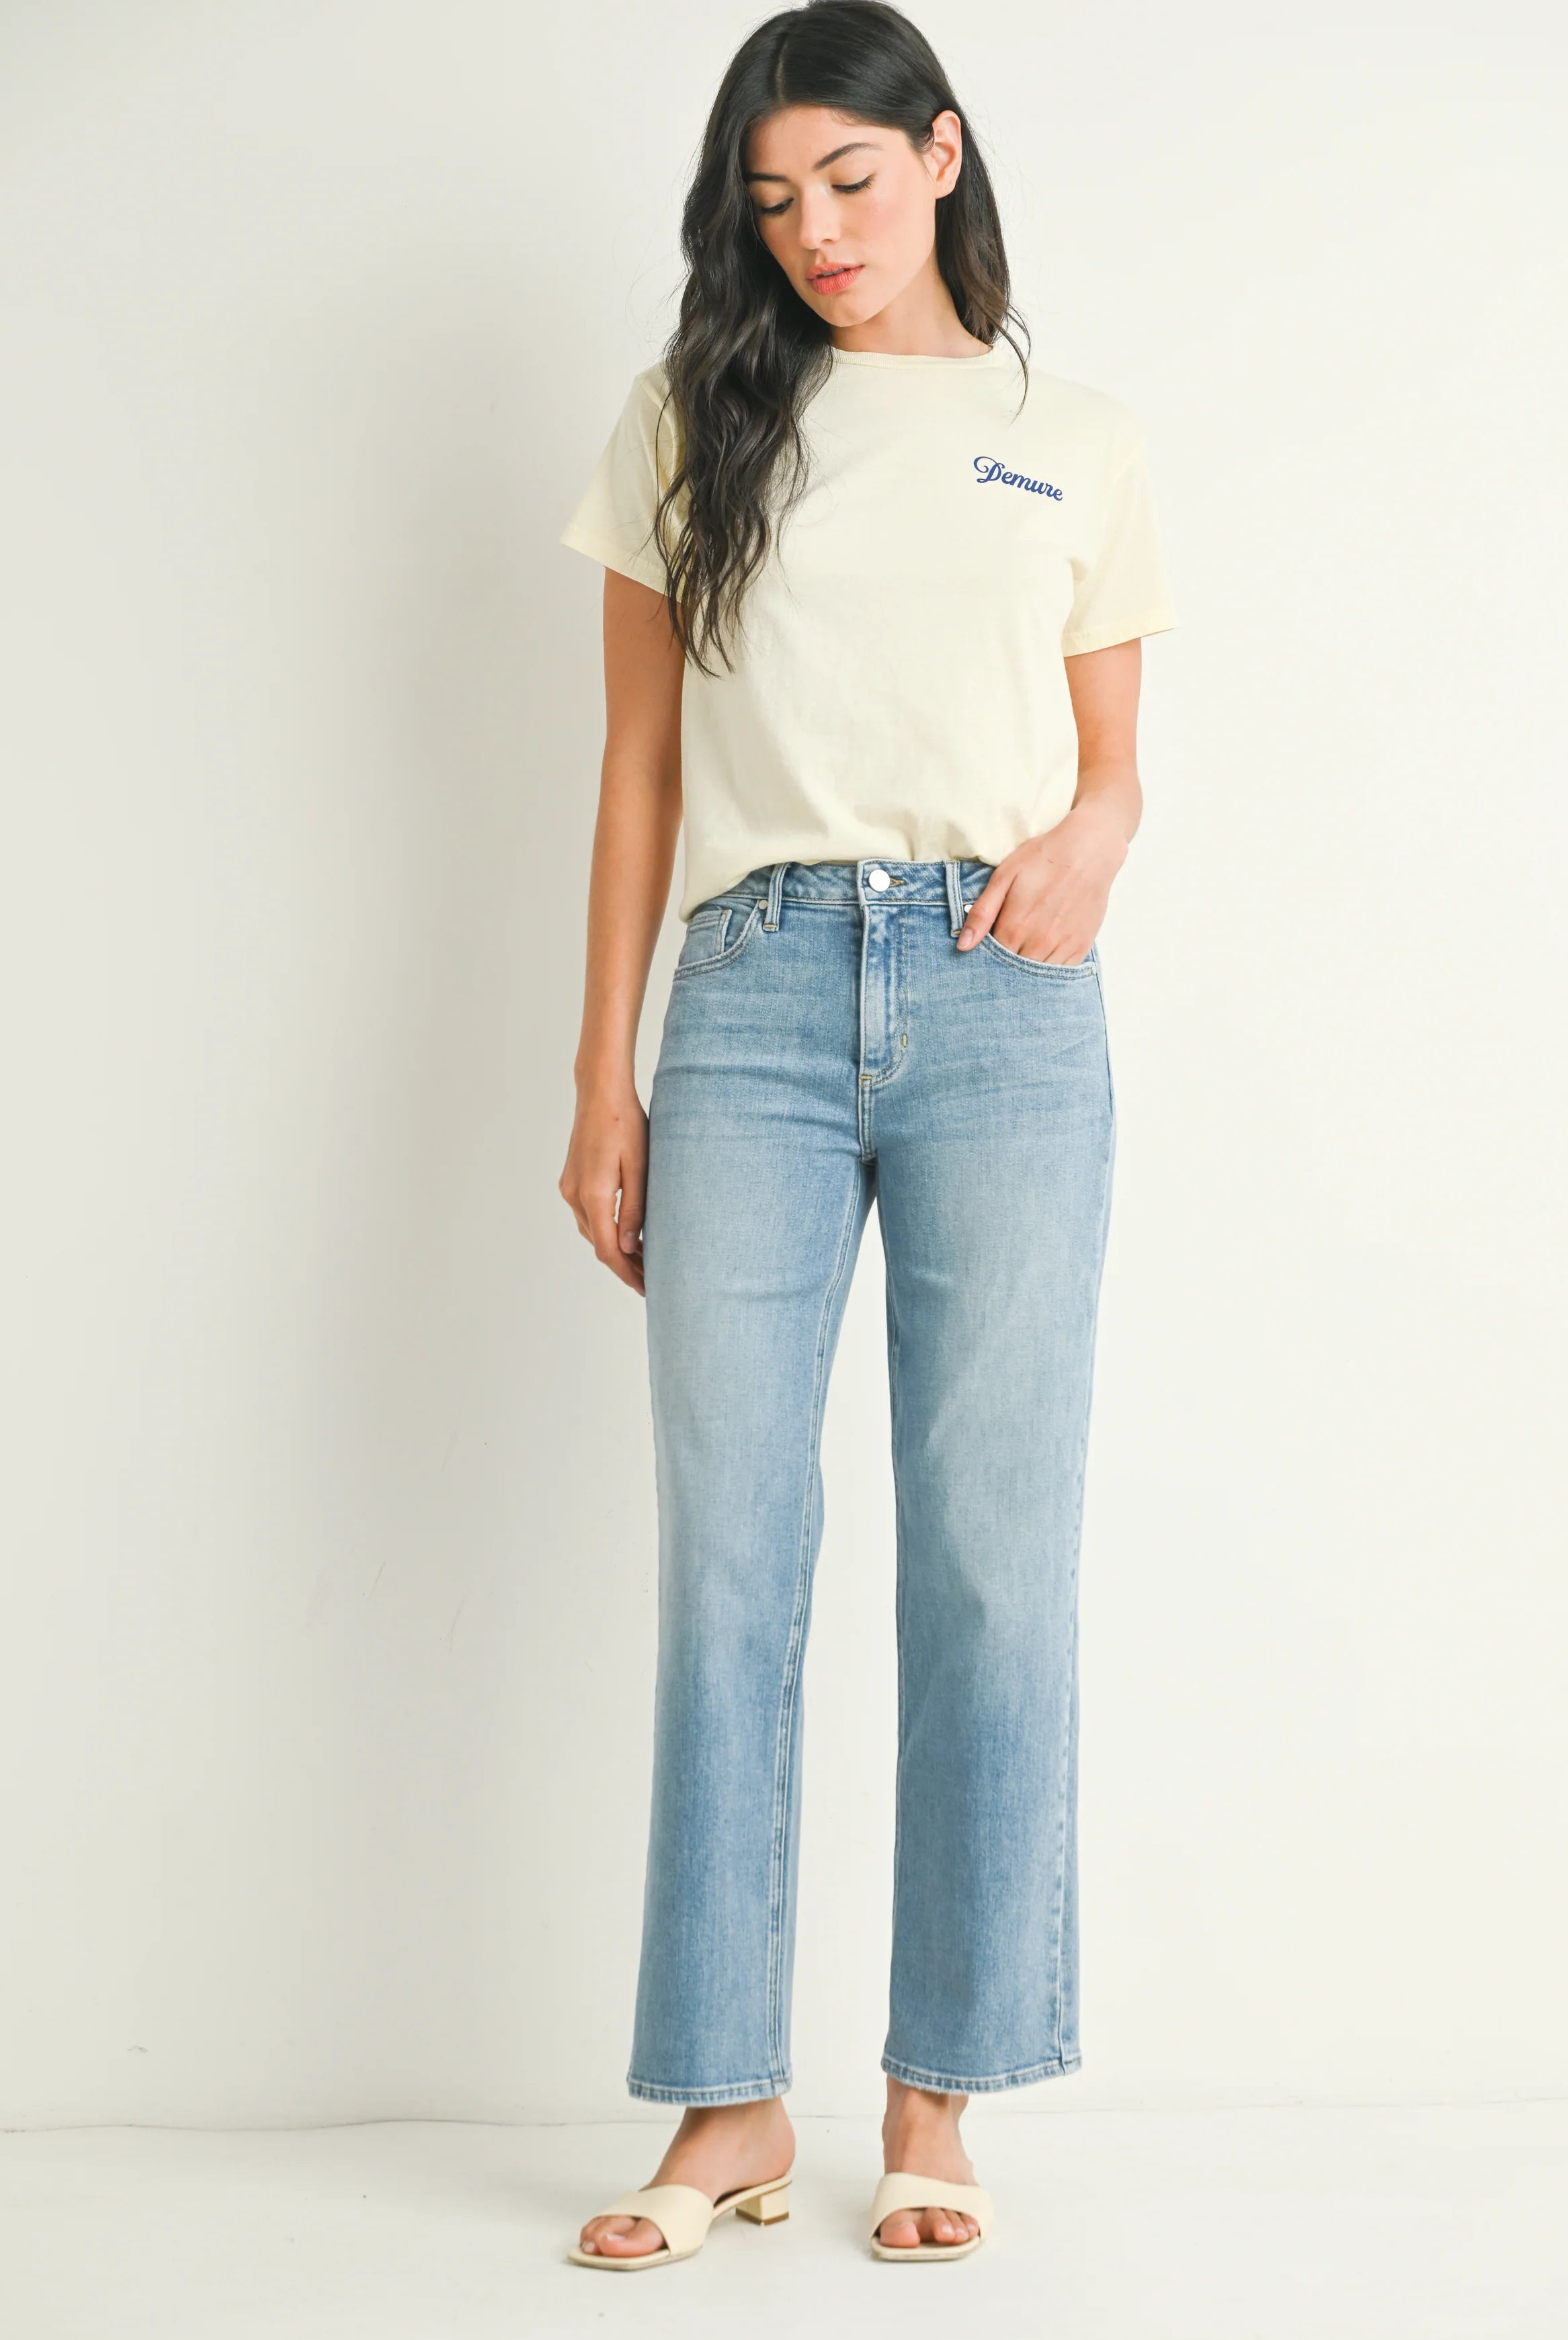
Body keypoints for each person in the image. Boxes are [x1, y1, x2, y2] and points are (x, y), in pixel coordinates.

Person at [555, 0, 1175, 2272]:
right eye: (770, 194)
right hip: (746, 1006)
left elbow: (1114, 765)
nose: (812, 229)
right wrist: (596, 1072)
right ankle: (727, 2102)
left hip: (1010, 1003)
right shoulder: (688, 422)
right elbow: (634, 772)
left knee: (992, 1552)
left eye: (845, 176)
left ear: (940, 154)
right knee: (732, 1548)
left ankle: (938, 2092)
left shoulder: (1072, 434)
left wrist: (1097, 840)